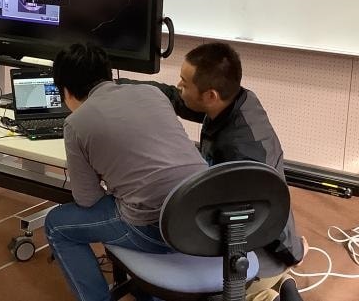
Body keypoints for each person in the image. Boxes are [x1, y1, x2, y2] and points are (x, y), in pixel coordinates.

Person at [118, 42, 307, 301]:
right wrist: (115, 86)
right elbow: (176, 98)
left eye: (185, 82)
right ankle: (276, 287)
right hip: (249, 222)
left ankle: (266, 294)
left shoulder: (240, 151)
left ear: (210, 95)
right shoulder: (237, 100)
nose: (179, 86)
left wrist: (292, 253)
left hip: (257, 244)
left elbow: (264, 219)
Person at [45, 43, 209, 301]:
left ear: (65, 91)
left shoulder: (76, 123)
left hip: (155, 229)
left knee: (57, 224)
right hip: (202, 217)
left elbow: (88, 199)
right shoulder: (152, 94)